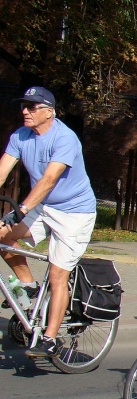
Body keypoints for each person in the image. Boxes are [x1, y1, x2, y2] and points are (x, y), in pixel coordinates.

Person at [0, 86, 97, 358]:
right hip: (44, 207)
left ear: (49, 112)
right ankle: (28, 285)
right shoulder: (21, 136)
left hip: (74, 213)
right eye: (23, 106)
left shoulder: (65, 138)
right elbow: (2, 171)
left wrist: (22, 209)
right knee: (3, 235)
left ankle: (50, 339)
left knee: (57, 274)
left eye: (32, 107)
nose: (25, 111)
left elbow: (49, 179)